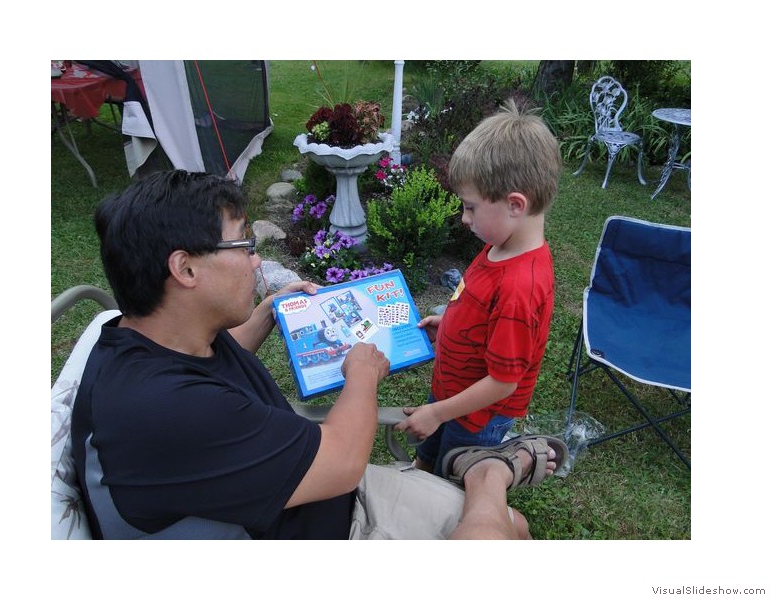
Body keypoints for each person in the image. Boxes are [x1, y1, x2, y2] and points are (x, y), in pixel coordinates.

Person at [71, 169, 566, 540]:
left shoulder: (151, 337)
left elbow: (207, 362)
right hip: (332, 524)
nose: (256, 258)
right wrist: (363, 373)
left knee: (513, 528)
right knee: (510, 531)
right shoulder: (167, 411)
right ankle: (491, 474)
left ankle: (490, 479)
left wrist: (267, 311)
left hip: (314, 499)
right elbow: (345, 460)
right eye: (244, 244)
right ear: (185, 268)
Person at [395, 99, 564, 479]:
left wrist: (439, 412)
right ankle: (421, 471)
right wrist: (451, 322)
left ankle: (435, 493)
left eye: (470, 207)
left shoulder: (521, 287)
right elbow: (477, 303)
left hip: (476, 417)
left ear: (515, 204)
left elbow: (504, 382)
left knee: (453, 475)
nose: (463, 217)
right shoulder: (499, 245)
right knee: (430, 449)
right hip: (452, 392)